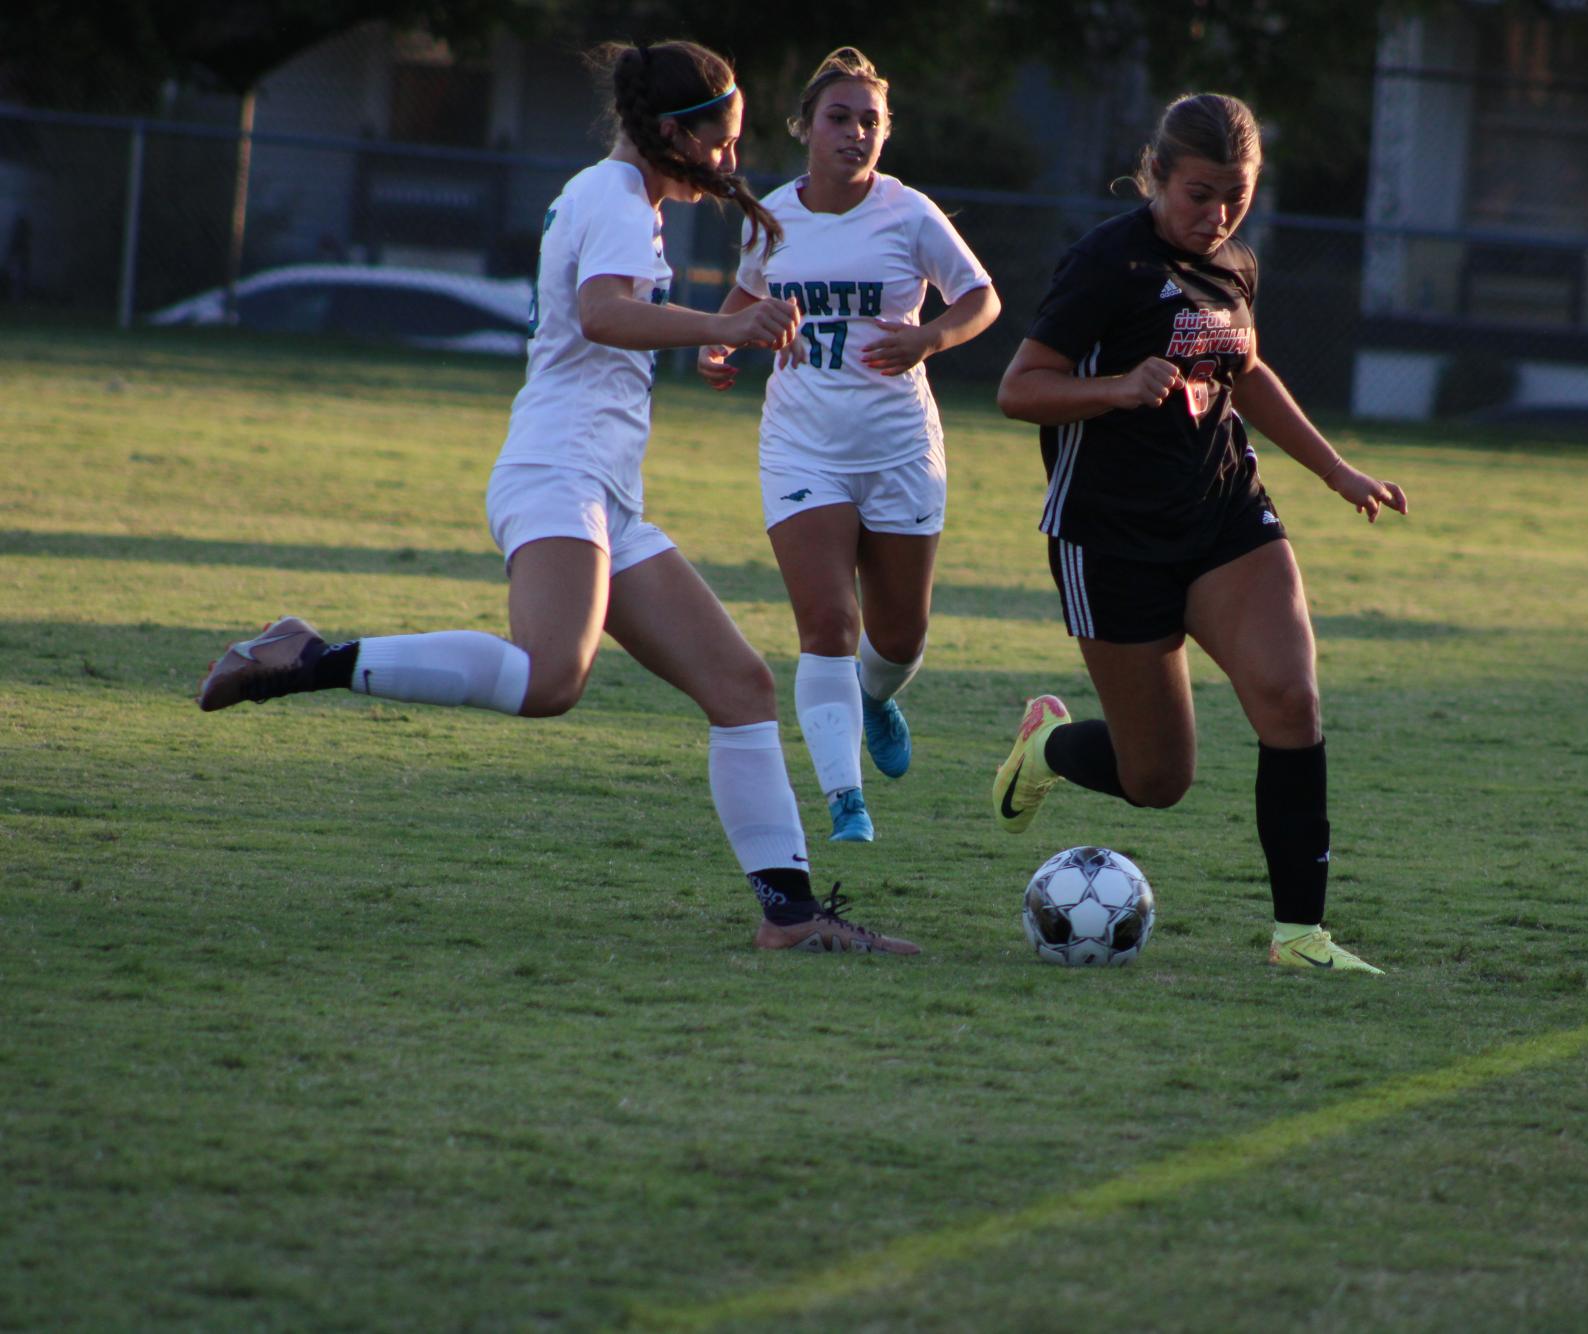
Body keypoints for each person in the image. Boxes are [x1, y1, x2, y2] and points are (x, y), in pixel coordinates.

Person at [195, 39, 916, 956]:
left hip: (603, 492)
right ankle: (306, 654)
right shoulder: (613, 197)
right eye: (719, 143)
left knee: (741, 686)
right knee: (550, 679)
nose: (730, 163)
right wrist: (726, 321)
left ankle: (792, 916)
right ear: (668, 133)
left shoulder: (628, 199)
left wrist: (716, 329)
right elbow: (604, 313)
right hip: (556, 473)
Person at [992, 92, 1407, 974]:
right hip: (1110, 538)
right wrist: (1113, 389)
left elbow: (1244, 370)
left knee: (1291, 702)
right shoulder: (1103, 264)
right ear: (1155, 178)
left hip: (1224, 514)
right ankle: (1049, 747)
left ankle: (1300, 937)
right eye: (1199, 195)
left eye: (1236, 195)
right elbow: (1019, 388)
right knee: (1158, 781)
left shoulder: (1233, 265)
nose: (1217, 215)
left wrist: (1337, 472)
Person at [698, 47, 999, 844]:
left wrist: (928, 339)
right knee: (828, 624)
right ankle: (844, 800)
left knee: (897, 638)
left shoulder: (909, 213)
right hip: (802, 447)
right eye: (839, 117)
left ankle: (873, 696)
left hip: (899, 447)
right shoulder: (772, 215)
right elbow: (751, 291)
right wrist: (722, 342)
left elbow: (981, 297)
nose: (855, 133)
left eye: (871, 121)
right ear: (805, 126)